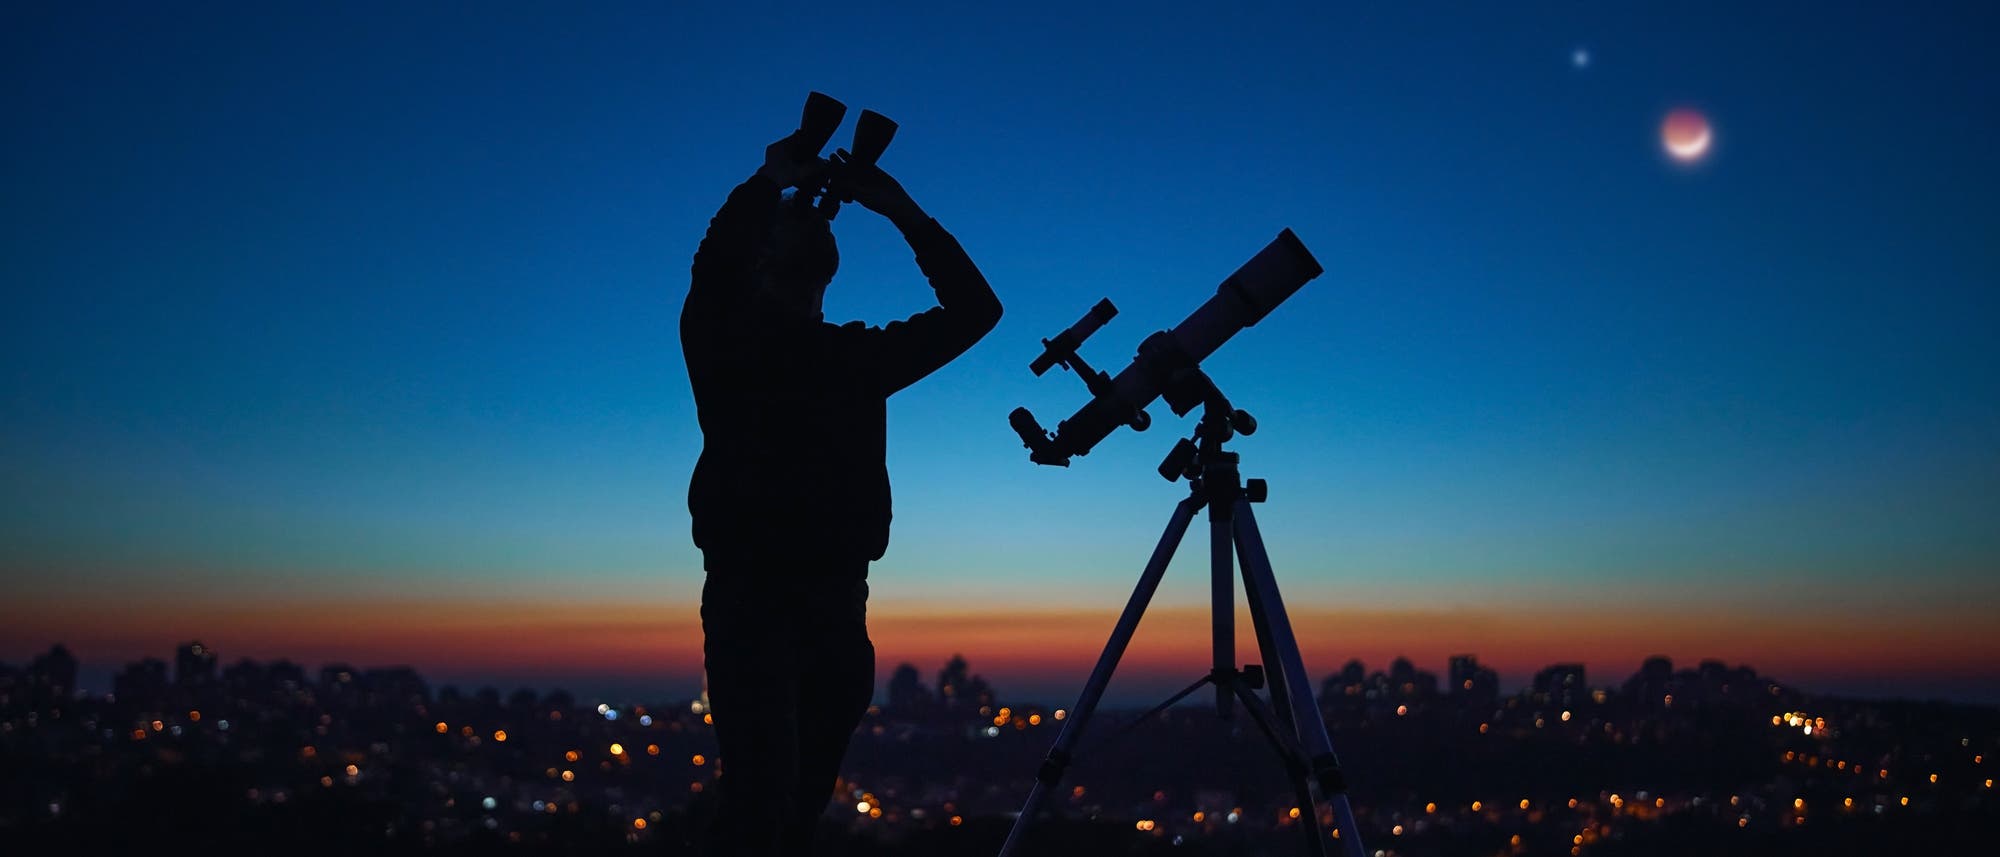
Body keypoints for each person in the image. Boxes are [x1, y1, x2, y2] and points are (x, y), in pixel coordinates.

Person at [681, 120, 1002, 856]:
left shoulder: (781, 349)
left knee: (782, 810)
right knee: (768, 808)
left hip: (806, 603)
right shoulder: (782, 347)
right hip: (779, 601)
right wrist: (887, 209)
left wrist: (785, 183)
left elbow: (977, 314)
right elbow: (973, 311)